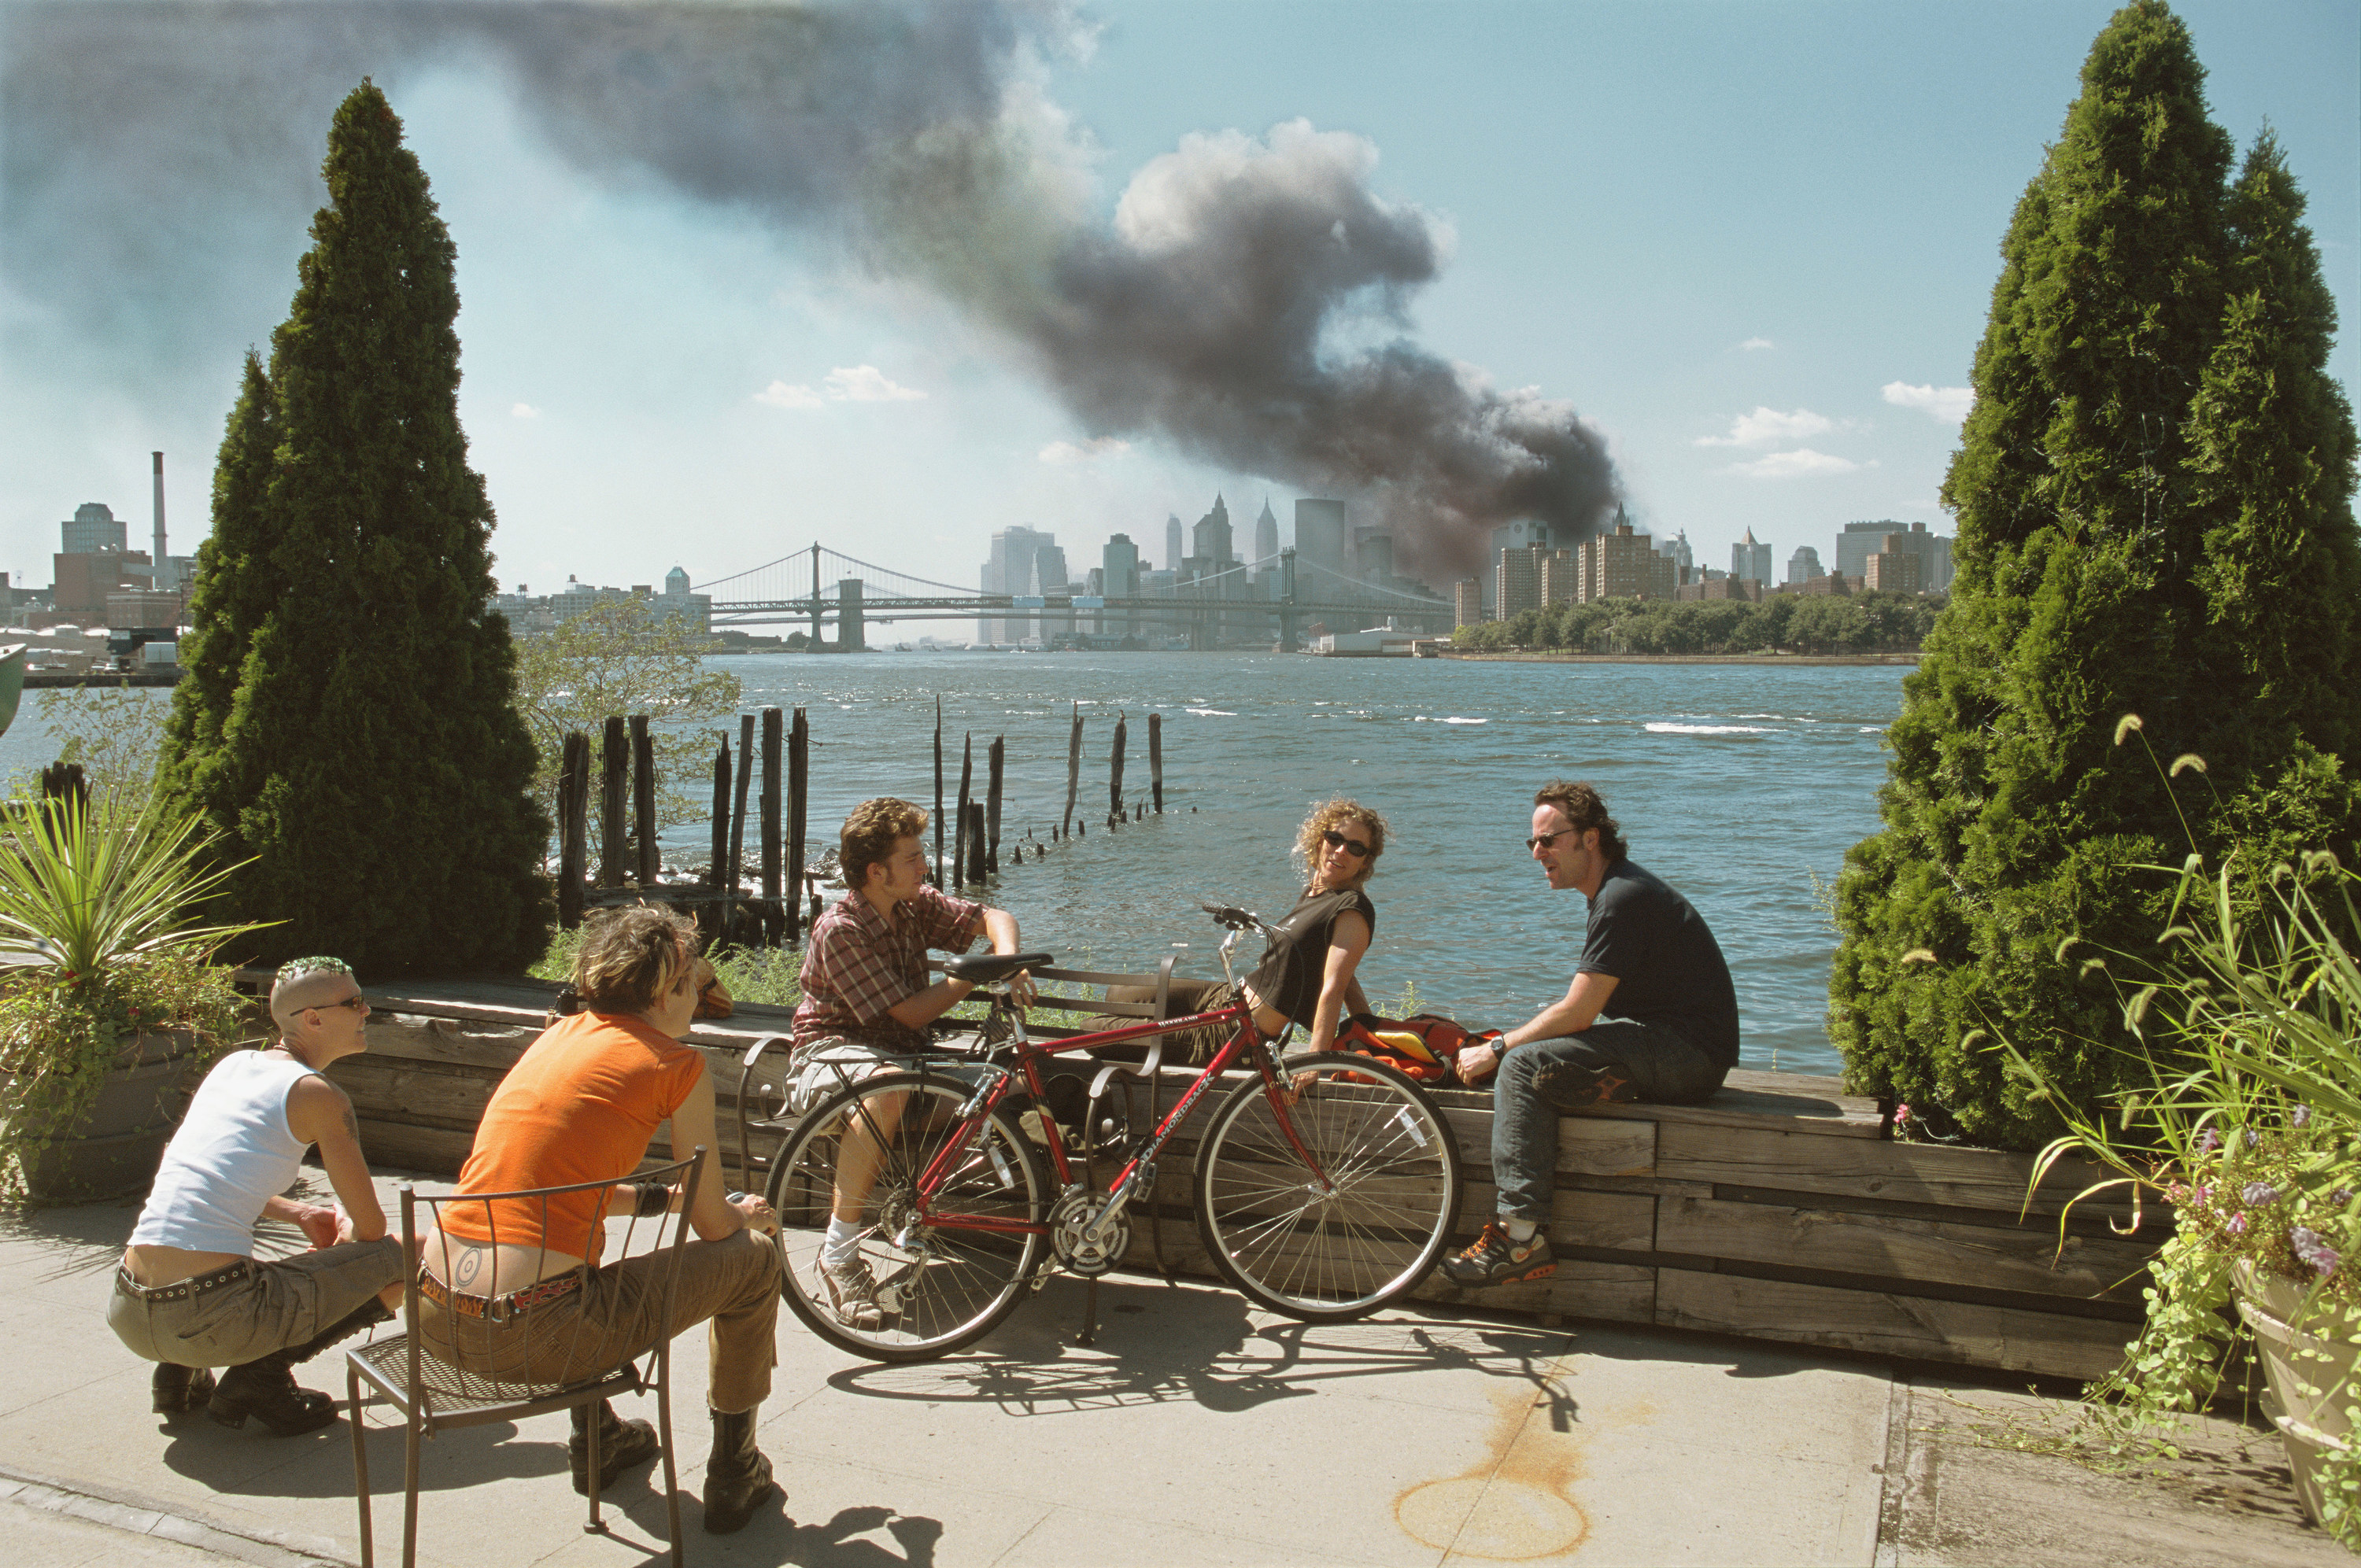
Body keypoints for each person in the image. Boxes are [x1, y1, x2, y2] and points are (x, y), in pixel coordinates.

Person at [426, 906, 785, 1536]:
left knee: (580, 1261)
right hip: (536, 1334)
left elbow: (564, 1192)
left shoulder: (559, 1034)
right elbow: (717, 1229)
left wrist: (667, 1199)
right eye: (692, 984)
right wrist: (738, 1212)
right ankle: (736, 1470)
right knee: (753, 1259)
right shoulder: (674, 1064)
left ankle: (600, 1436)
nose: (699, 998)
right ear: (665, 990)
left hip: (436, 1313)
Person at [1441, 780, 1739, 1286]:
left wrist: (1497, 1047)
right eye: (1532, 842)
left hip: (1687, 1053)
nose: (1539, 853)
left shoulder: (1622, 898)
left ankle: (1519, 1241)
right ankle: (1604, 1084)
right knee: (1537, 1058)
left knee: (1520, 1065)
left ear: (1590, 839)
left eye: (1550, 840)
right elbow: (1587, 1013)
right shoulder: (1618, 891)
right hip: (1682, 1048)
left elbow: (1580, 1013)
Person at [109, 957, 405, 1436]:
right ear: (314, 1019)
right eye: (355, 1003)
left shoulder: (234, 1066)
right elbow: (369, 1231)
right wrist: (347, 1232)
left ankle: (178, 1373)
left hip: (130, 1308)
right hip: (209, 1317)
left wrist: (301, 1212)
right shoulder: (318, 1094)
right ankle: (259, 1380)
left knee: (225, 1261)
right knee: (403, 1257)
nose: (367, 1012)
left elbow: (189, 1166)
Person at [785, 796, 1035, 1330]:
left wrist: (1008, 963)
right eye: (913, 858)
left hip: (900, 1056)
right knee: (889, 1087)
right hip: (828, 1055)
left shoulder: (912, 903)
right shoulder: (841, 929)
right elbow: (909, 1014)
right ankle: (839, 1255)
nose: (925, 867)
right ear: (876, 872)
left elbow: (994, 916)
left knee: (1006, 1086)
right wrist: (976, 973)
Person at [1242, 798, 1385, 1057]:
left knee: (1145, 1021)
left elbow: (1335, 986)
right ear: (1320, 841)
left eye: (1355, 848)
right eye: (1335, 838)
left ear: (1365, 862)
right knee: (1144, 996)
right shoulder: (1315, 895)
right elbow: (1340, 971)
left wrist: (1315, 1060)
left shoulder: (1351, 907)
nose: (1341, 850)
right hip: (1224, 1007)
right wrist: (1365, 1027)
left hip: (1239, 1037)